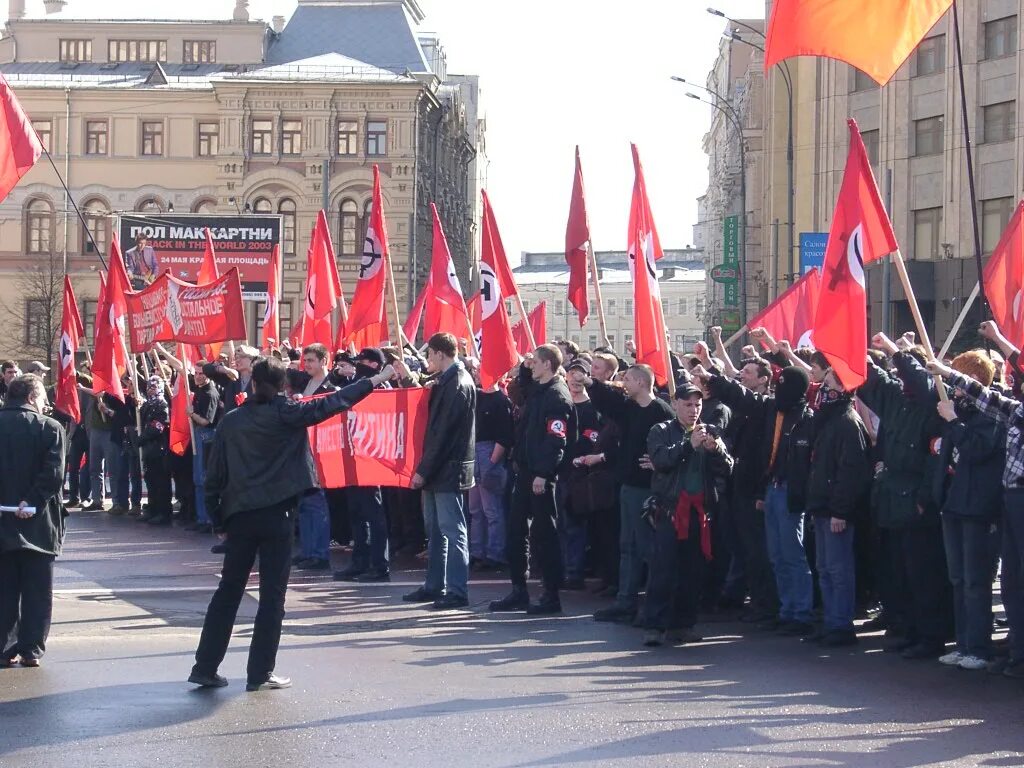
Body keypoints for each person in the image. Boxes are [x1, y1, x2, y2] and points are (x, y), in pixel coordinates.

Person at [189, 356, 394, 691]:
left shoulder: (233, 421)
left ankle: (205, 665)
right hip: (277, 516)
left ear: (252, 383)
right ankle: (260, 672)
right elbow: (335, 401)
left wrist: (217, 519)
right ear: (283, 384)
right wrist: (377, 378)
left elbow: (215, 475)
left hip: (240, 516)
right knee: (272, 596)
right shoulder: (287, 414)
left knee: (228, 591)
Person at [702, 363, 816, 636]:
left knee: (793, 555)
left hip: (792, 491)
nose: (780, 391)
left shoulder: (807, 418)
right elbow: (745, 398)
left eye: (786, 385)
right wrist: (715, 381)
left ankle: (801, 613)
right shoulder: (772, 410)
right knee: (776, 555)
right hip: (772, 488)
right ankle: (784, 609)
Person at [929, 350, 1004, 671]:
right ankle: (962, 643)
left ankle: (979, 647)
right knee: (958, 578)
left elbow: (977, 450)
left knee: (976, 581)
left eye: (961, 380)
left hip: (978, 507)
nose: (955, 388)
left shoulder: (992, 415)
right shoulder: (956, 412)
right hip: (954, 504)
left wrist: (955, 421)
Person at [643, 381, 733, 647]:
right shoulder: (661, 430)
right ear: (675, 405)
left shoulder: (709, 432)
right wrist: (687, 445)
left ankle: (683, 624)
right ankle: (655, 625)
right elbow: (661, 461)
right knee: (663, 570)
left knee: (692, 572)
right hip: (670, 510)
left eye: (698, 405)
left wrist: (715, 450)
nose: (694, 410)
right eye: (687, 405)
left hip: (699, 511)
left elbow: (727, 467)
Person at [585, 365, 675, 623]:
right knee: (628, 546)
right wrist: (591, 384)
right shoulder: (629, 409)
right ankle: (626, 600)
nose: (623, 383)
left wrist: (660, 462)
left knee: (648, 547)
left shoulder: (661, 411)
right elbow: (609, 403)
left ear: (640, 382)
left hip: (648, 489)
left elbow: (672, 447)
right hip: (628, 485)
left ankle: (654, 605)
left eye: (627, 379)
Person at [490, 345, 574, 615]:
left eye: (536, 362)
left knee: (544, 535)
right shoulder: (539, 390)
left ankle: (551, 595)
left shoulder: (557, 396)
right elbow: (522, 388)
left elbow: (556, 439)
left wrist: (544, 473)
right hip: (525, 471)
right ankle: (519, 590)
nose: (532, 365)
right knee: (516, 532)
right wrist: (525, 368)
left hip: (541, 475)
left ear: (548, 365)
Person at [405, 333, 476, 609]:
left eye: (429, 354)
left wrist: (423, 470)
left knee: (452, 529)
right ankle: (435, 585)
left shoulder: (457, 383)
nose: (427, 360)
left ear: (439, 353)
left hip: (447, 468)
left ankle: (457, 590)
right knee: (434, 530)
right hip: (440, 468)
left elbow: (443, 434)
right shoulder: (449, 380)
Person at [0, 375, 67, 668]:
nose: (45, 404)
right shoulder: (50, 428)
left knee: (4, 587)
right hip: (39, 524)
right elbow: (54, 472)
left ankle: (3, 647)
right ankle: (31, 648)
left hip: (2, 519)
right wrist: (34, 500)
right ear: (31, 397)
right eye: (42, 399)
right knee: (38, 590)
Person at [803, 368, 872, 647]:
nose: (823, 391)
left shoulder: (847, 422)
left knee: (838, 569)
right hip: (822, 507)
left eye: (829, 385)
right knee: (824, 568)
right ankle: (831, 620)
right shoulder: (829, 420)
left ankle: (841, 624)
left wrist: (840, 511)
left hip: (836, 512)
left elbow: (851, 472)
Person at [334, 347, 392, 583]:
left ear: (375, 365)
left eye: (363, 362)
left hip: (372, 455)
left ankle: (379, 565)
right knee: (357, 512)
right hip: (353, 454)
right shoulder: (357, 383)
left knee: (373, 513)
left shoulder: (380, 387)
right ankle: (360, 561)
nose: (358, 366)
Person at [293, 343, 337, 571]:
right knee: (305, 504)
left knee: (317, 503)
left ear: (323, 361)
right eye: (305, 360)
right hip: (303, 451)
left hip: (321, 451)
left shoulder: (331, 387)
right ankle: (308, 550)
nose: (306, 364)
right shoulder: (305, 383)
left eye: (311, 360)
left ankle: (320, 554)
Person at [466, 359, 513, 571]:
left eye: (480, 371)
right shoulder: (474, 396)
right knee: (475, 508)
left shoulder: (501, 401)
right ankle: (477, 551)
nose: (476, 374)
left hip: (489, 454)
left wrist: (492, 462)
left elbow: (505, 437)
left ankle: (495, 553)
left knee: (492, 509)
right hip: (474, 452)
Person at [186, 361, 222, 533]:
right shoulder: (199, 390)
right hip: (199, 434)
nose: (198, 376)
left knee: (203, 478)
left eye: (201, 373)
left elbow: (207, 420)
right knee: (197, 478)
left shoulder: (210, 393)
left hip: (207, 436)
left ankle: (208, 519)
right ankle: (201, 517)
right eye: (196, 373)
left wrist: (191, 414)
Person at [138, 376, 173, 526]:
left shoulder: (162, 404)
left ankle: (163, 512)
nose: (151, 390)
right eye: (149, 387)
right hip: (149, 450)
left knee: (161, 482)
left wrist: (143, 437)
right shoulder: (147, 405)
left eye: (154, 387)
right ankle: (152, 508)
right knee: (150, 480)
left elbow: (159, 426)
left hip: (159, 448)